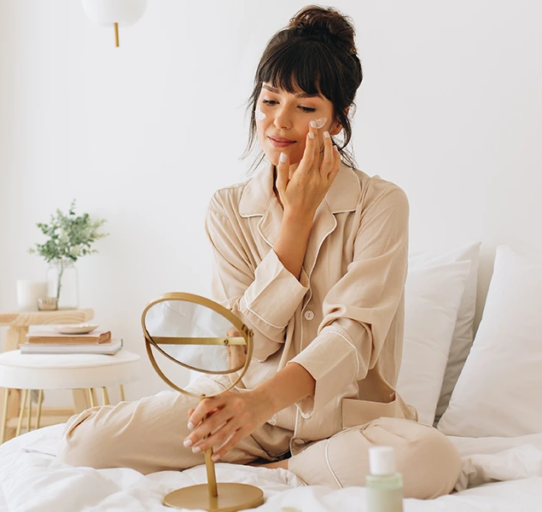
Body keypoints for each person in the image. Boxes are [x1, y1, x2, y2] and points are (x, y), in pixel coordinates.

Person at [57, 5, 460, 499]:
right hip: (248, 413)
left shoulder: (381, 204)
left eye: (306, 108)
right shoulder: (228, 208)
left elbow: (353, 337)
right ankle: (289, 462)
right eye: (270, 100)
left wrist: (260, 403)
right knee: (84, 445)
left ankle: (285, 470)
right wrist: (294, 223)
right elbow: (239, 345)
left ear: (338, 120)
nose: (280, 122)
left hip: (348, 426)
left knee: (432, 460)